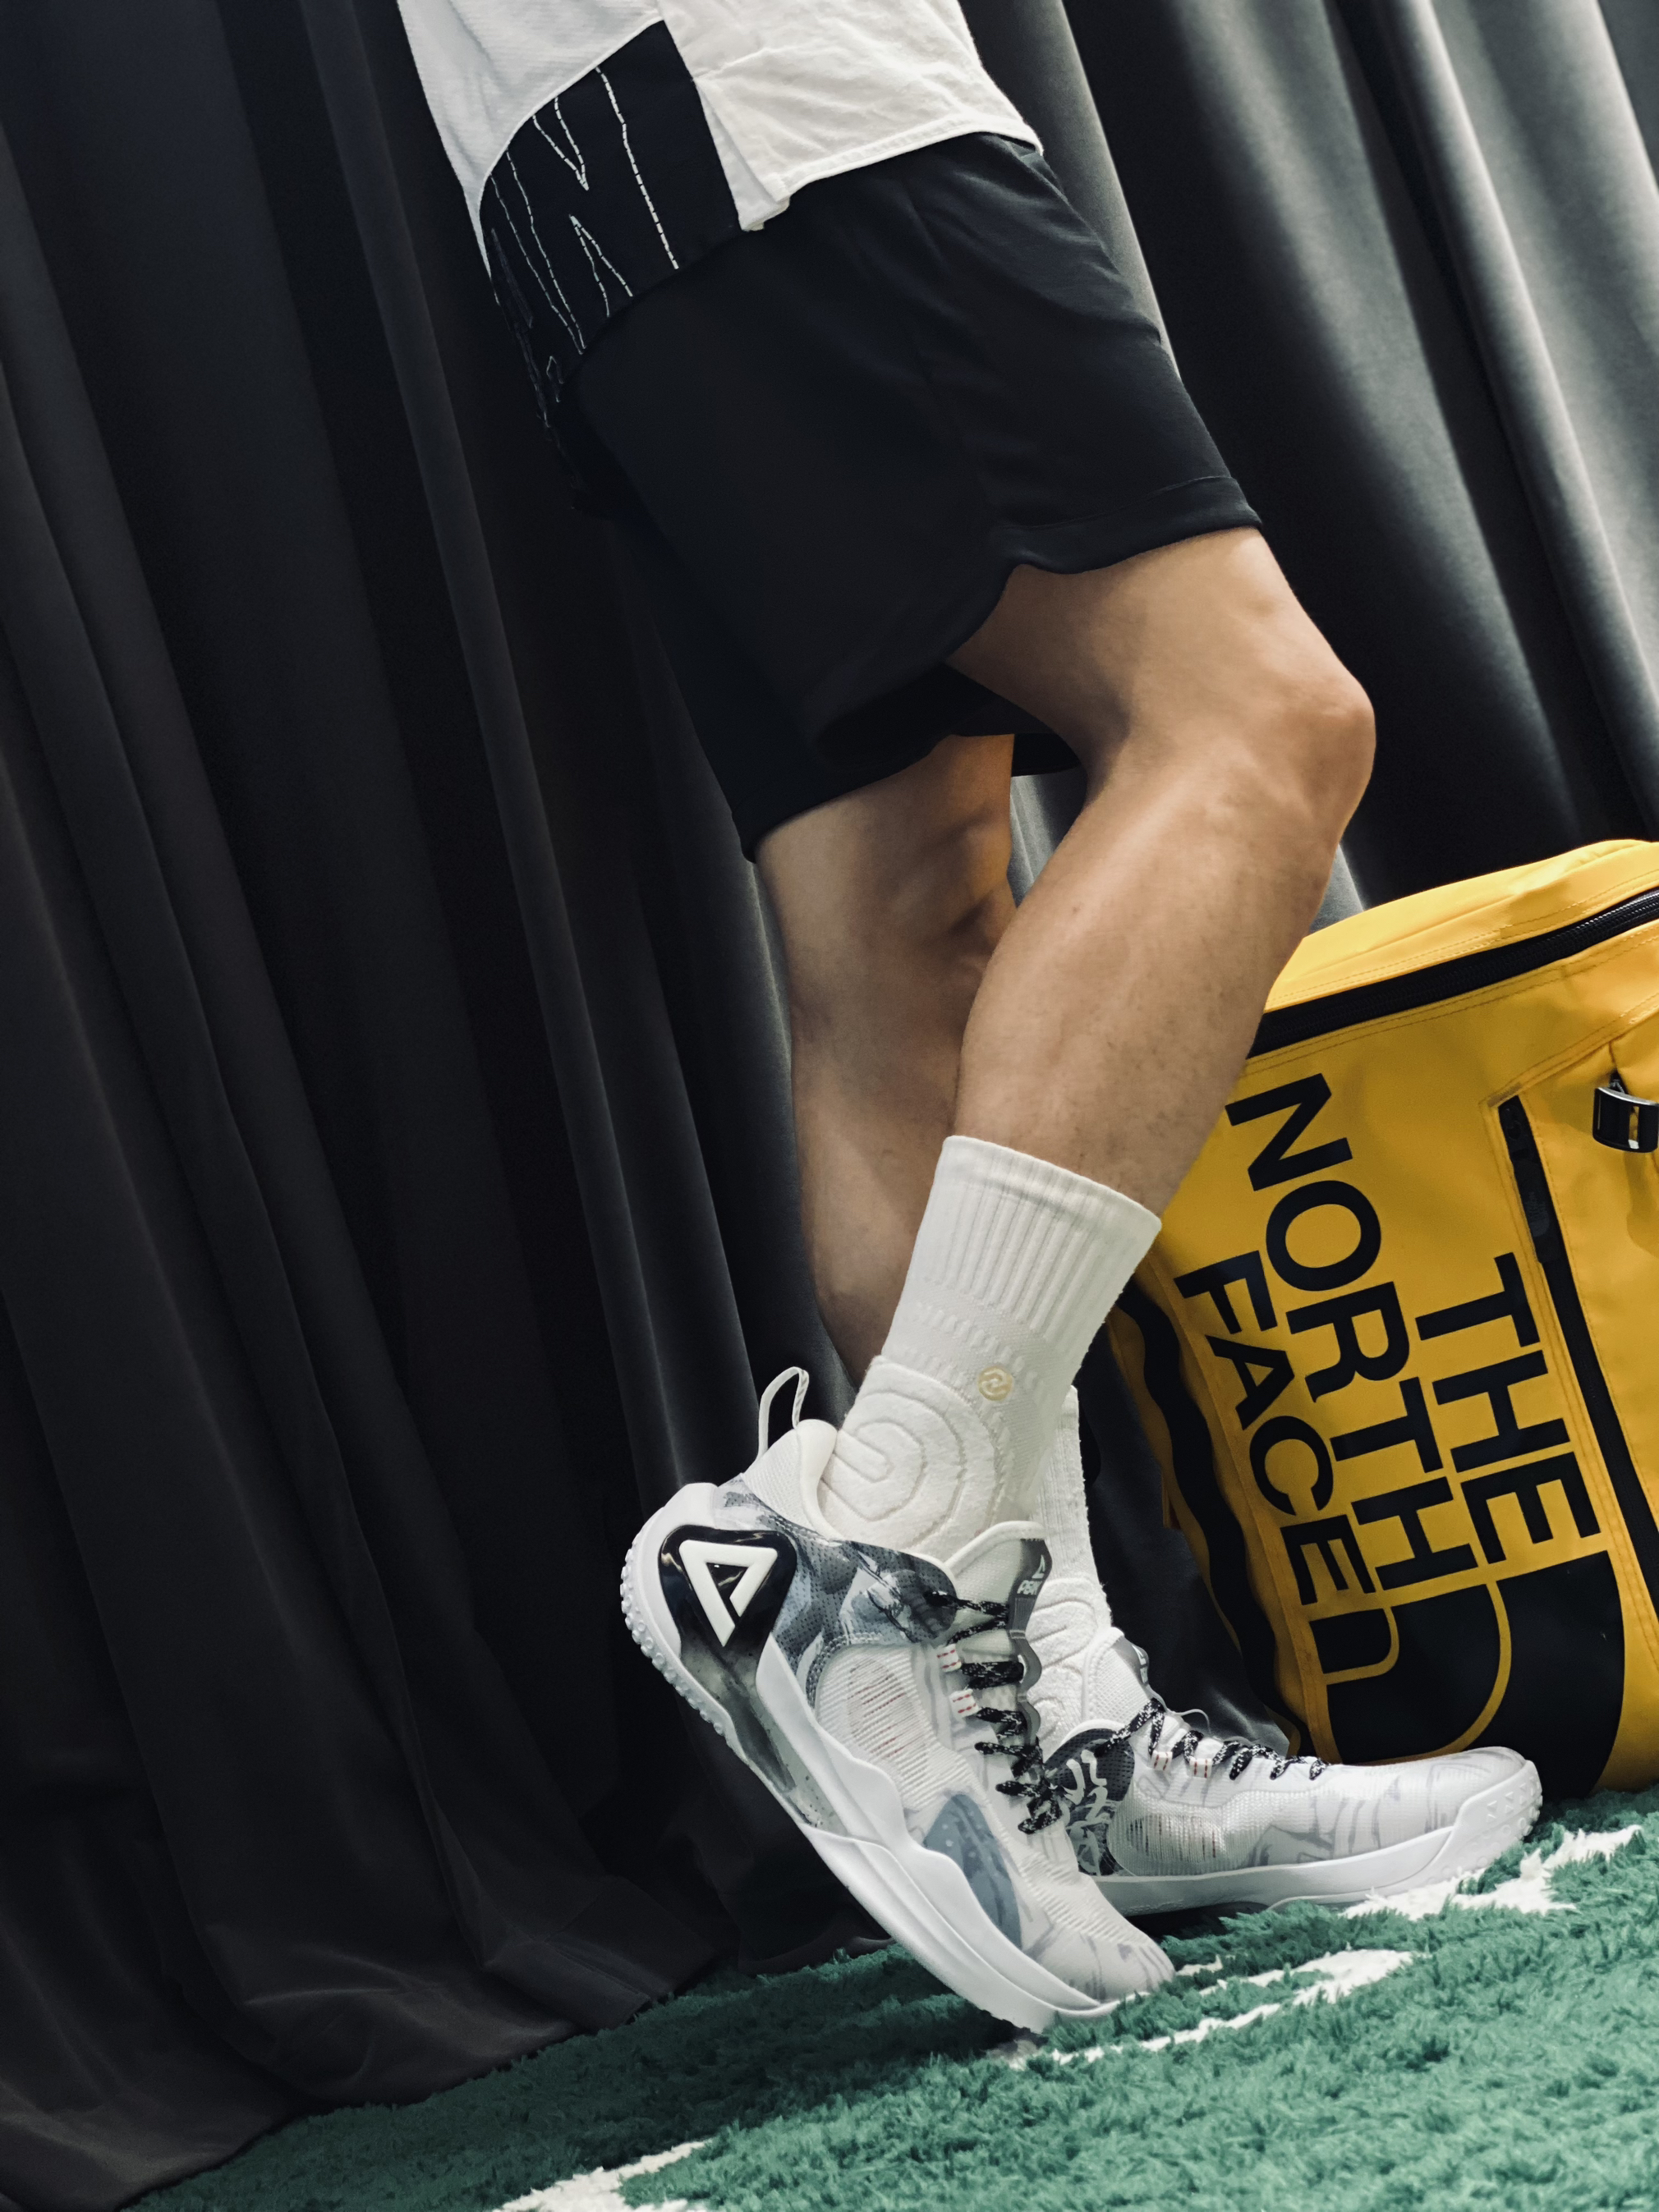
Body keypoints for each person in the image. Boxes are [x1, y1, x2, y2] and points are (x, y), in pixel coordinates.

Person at [394, 0, 1542, 2028]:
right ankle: (890, 1540)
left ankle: (1054, 1730)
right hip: (776, 98)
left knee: (907, 920)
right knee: (1260, 722)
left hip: (586, 173)